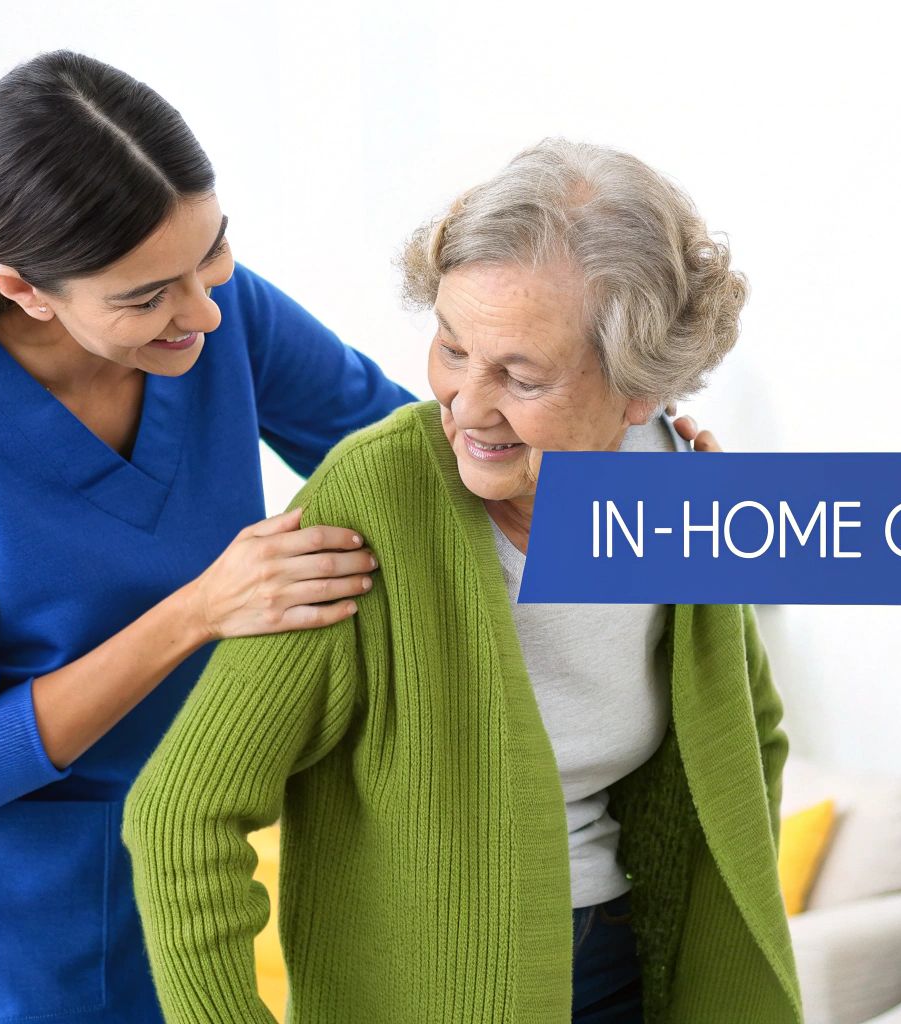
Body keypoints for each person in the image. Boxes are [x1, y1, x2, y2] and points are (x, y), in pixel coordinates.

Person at [0, 50, 415, 1024]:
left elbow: (422, 457)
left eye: (212, 253)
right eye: (145, 296)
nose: (203, 309)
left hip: (183, 888)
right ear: (23, 286)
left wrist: (653, 473)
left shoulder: (223, 316)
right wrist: (198, 612)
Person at [124, 139, 800, 1024]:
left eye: (522, 376)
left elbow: (747, 734)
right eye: (451, 348)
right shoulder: (379, 499)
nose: (468, 406)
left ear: (639, 390)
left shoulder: (673, 484)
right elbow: (181, 815)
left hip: (628, 967)